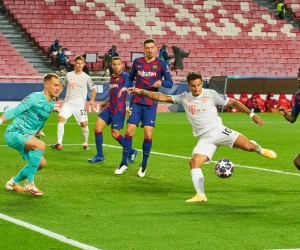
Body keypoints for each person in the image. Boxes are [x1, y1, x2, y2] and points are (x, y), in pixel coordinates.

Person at [128, 71, 277, 202]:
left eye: (199, 85)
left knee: (249, 147)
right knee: (194, 163)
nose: (197, 88)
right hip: (205, 139)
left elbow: (232, 102)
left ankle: (260, 149)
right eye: (193, 86)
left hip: (219, 131)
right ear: (188, 86)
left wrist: (252, 114)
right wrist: (140, 91)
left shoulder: (210, 94)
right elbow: (161, 97)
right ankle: (200, 195)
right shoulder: (184, 97)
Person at [115, 38, 173, 177]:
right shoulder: (137, 62)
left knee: (148, 134)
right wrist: (126, 86)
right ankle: (123, 163)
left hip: (151, 103)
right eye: (147, 48)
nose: (149, 50)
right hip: (136, 100)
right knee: (129, 131)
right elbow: (130, 78)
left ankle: (144, 164)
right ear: (143, 48)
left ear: (155, 48)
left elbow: (170, 83)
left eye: (152, 47)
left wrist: (162, 82)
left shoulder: (161, 64)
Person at [2, 73, 61, 196]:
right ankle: (30, 184)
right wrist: (1, 120)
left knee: (41, 163)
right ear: (46, 84)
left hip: (26, 135)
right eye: (55, 85)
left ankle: (13, 183)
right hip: (14, 132)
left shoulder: (50, 105)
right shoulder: (35, 97)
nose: (57, 88)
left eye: (59, 86)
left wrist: (38, 132)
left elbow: (40, 122)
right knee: (41, 146)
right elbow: (16, 110)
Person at [88, 56, 138, 163]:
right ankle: (100, 155)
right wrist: (106, 102)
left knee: (115, 134)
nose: (116, 66)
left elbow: (135, 87)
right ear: (112, 65)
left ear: (122, 65)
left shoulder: (125, 76)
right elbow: (114, 93)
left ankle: (132, 151)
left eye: (118, 64)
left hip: (118, 110)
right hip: (109, 107)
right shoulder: (112, 77)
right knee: (97, 128)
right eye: (114, 64)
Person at [51, 55, 96, 151]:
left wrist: (92, 100)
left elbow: (93, 89)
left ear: (83, 64)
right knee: (60, 119)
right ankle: (59, 143)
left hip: (80, 105)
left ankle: (85, 143)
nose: (79, 65)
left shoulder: (87, 77)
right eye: (78, 63)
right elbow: (62, 85)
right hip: (68, 103)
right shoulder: (68, 75)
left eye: (81, 63)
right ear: (75, 64)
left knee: (84, 124)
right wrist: (57, 93)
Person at [278, 70, 300, 170]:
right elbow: (293, 118)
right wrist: (285, 114)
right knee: (298, 162)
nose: (298, 79)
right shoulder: (298, 96)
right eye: (298, 77)